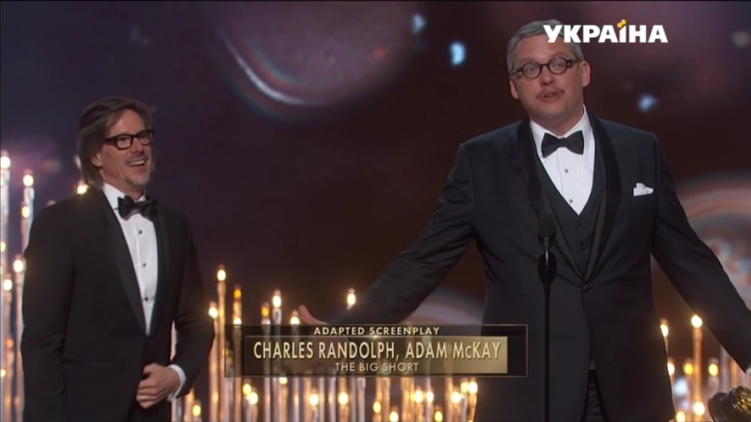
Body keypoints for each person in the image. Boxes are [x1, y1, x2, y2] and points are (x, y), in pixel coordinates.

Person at [299, 19, 751, 422]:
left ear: (584, 72)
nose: (546, 77)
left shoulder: (640, 150)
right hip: (527, 395)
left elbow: (693, 265)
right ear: (514, 86)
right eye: (530, 69)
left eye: (559, 63)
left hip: (631, 394)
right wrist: (348, 332)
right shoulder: (481, 161)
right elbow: (423, 262)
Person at [21, 96, 215, 422]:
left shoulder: (174, 224)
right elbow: (41, 342)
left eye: (143, 137)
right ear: (96, 155)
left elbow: (196, 320)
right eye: (123, 140)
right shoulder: (61, 224)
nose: (138, 148)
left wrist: (178, 374)